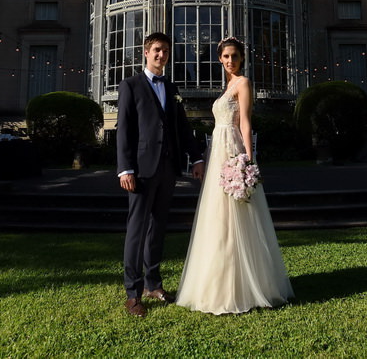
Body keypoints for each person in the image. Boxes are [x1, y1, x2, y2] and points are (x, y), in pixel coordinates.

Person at [175, 36, 294, 314]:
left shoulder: (243, 83)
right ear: (220, 59)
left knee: (238, 213)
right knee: (218, 216)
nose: (230, 61)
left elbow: (245, 121)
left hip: (232, 151)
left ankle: (244, 284)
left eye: (235, 56)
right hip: (217, 151)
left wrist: (248, 160)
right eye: (226, 57)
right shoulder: (226, 86)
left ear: (242, 58)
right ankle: (217, 280)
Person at [117, 32, 205, 318]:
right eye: (156, 50)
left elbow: (181, 126)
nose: (161, 55)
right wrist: (125, 168)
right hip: (141, 170)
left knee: (158, 229)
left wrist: (197, 156)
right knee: (136, 230)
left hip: (168, 168)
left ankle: (153, 284)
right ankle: (133, 293)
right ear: (146, 52)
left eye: (165, 51)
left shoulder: (171, 85)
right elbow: (124, 129)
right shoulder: (130, 85)